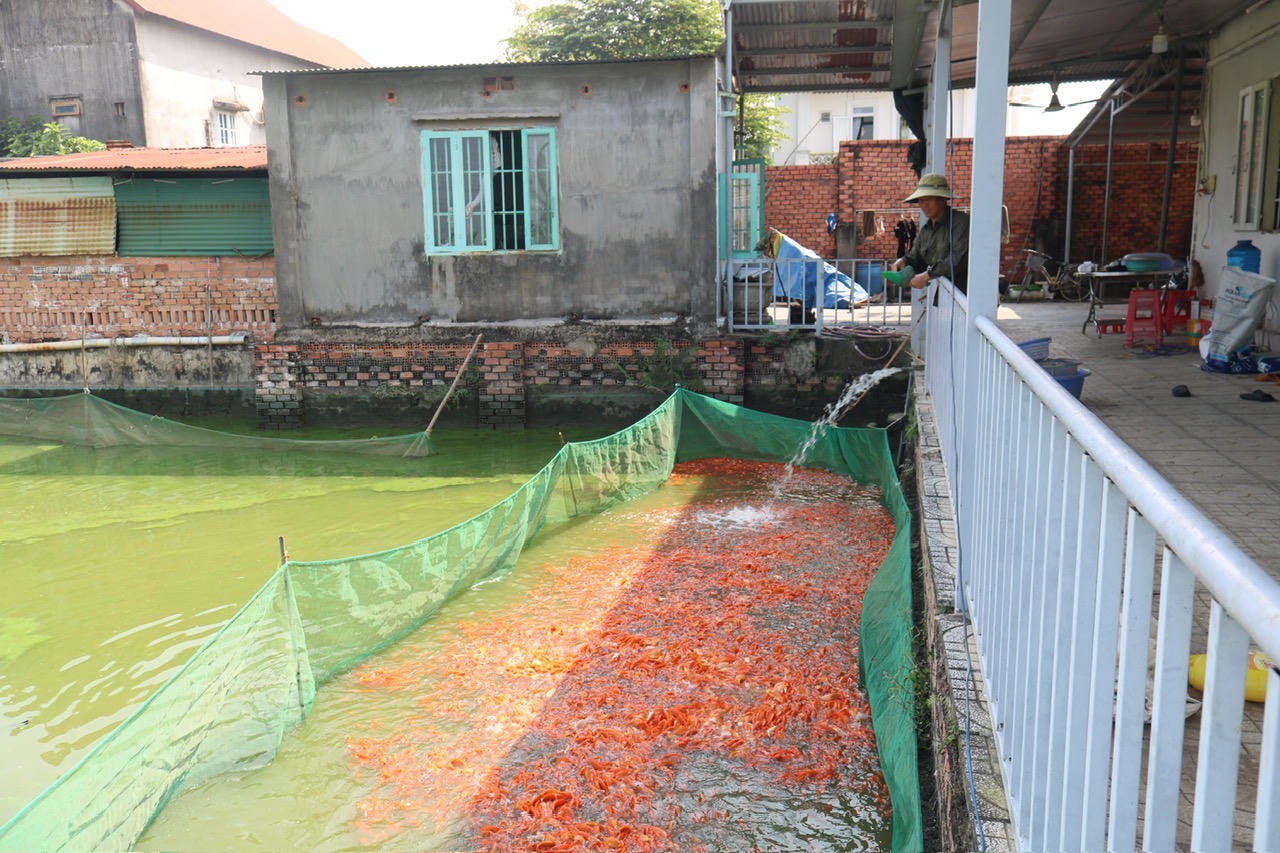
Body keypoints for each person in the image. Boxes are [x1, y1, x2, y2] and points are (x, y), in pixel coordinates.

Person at [890, 173, 970, 294]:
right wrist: (903, 261)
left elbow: (956, 259)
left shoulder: (961, 223)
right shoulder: (926, 230)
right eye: (921, 201)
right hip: (945, 296)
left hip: (966, 295)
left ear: (943, 199)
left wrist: (927, 275)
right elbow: (915, 256)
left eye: (929, 199)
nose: (924, 205)